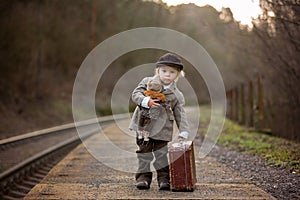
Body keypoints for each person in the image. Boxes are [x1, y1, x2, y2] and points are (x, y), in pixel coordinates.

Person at [129, 53, 190, 191]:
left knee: (161, 155)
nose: (167, 75)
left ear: (178, 75)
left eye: (172, 72)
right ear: (158, 71)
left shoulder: (176, 94)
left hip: (163, 129)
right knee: (144, 153)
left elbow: (180, 113)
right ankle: (143, 179)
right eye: (164, 71)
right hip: (144, 126)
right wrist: (146, 101)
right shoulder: (147, 82)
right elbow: (136, 94)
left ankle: (164, 180)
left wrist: (183, 131)